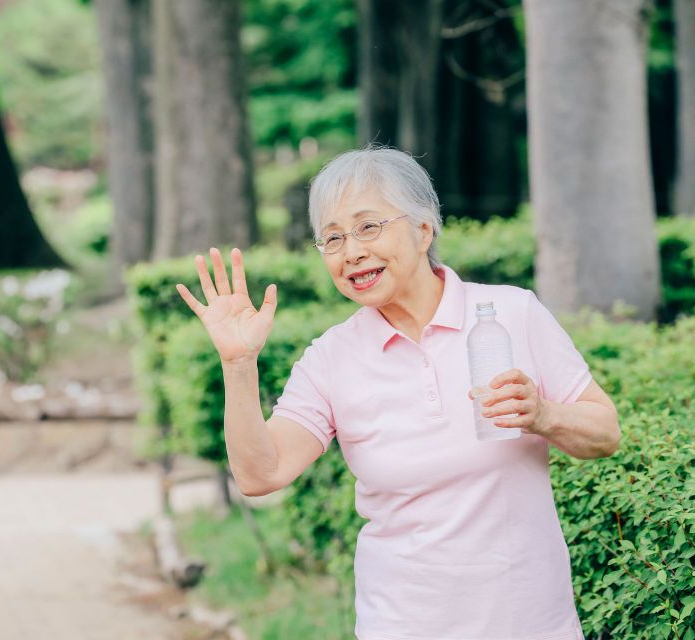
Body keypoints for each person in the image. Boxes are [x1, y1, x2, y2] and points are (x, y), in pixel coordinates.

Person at [175, 147, 620, 640]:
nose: (352, 252)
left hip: (531, 625)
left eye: (369, 227)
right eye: (333, 238)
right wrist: (238, 365)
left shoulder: (513, 314)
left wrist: (544, 415)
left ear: (424, 229)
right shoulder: (331, 358)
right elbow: (261, 474)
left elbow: (605, 432)